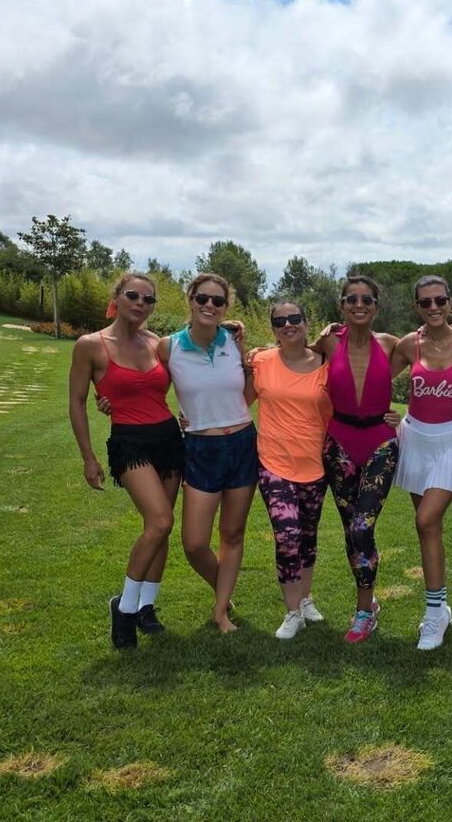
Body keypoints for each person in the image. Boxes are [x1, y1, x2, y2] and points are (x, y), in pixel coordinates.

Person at [69, 273, 184, 649]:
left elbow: (175, 383)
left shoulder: (158, 344)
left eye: (148, 299)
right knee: (160, 520)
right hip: (129, 443)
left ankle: (146, 608)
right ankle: (124, 605)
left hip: (168, 438)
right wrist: (88, 457)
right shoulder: (91, 345)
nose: (140, 303)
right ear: (117, 297)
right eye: (133, 295)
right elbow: (76, 402)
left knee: (162, 528)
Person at [390, 275, 452, 651]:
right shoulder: (407, 345)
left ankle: (434, 616)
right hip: (414, 439)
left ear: (450, 303)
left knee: (427, 518)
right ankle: (439, 608)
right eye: (425, 302)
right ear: (416, 306)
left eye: (440, 301)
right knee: (428, 530)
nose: (433, 308)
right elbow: (367, 373)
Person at [160, 272, 256, 633]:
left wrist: (227, 412)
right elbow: (146, 388)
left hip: (243, 443)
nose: (210, 306)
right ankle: (223, 592)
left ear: (225, 307)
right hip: (200, 447)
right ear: (191, 299)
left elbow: (248, 389)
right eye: (203, 299)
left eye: (218, 301)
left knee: (232, 534)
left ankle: (220, 611)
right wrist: (110, 402)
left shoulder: (233, 340)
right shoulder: (169, 347)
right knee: (195, 543)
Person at [315, 276, 403, 643]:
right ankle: (369, 604)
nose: (359, 304)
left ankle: (363, 611)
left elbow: (436, 347)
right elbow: (291, 357)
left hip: (380, 441)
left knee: (362, 527)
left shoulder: (392, 344)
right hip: (339, 443)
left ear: (377, 306)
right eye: (352, 299)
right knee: (352, 529)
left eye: (367, 299)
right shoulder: (328, 342)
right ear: (342, 306)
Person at [247, 301, 331, 640]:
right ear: (273, 329)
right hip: (273, 463)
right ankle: (292, 612)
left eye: (294, 318)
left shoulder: (327, 365)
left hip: (315, 464)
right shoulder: (261, 361)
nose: (288, 324)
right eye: (280, 321)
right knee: (287, 535)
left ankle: (306, 598)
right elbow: (238, 402)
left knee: (308, 536)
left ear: (306, 322)